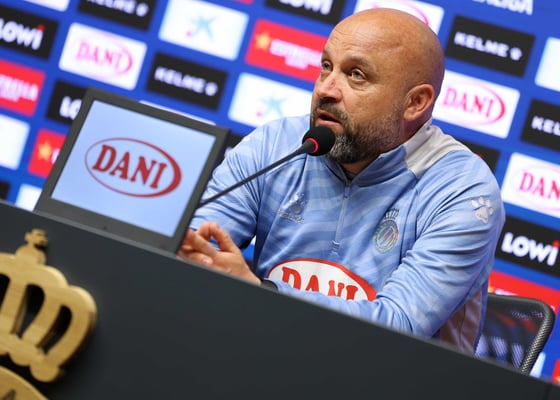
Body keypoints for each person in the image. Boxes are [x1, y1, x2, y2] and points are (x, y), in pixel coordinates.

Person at [178, 8, 505, 353]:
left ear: (415, 103)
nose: (326, 89)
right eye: (326, 66)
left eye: (356, 75)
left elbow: (398, 328)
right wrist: (198, 258)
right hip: (259, 356)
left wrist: (260, 293)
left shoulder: (462, 191)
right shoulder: (275, 145)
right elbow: (193, 247)